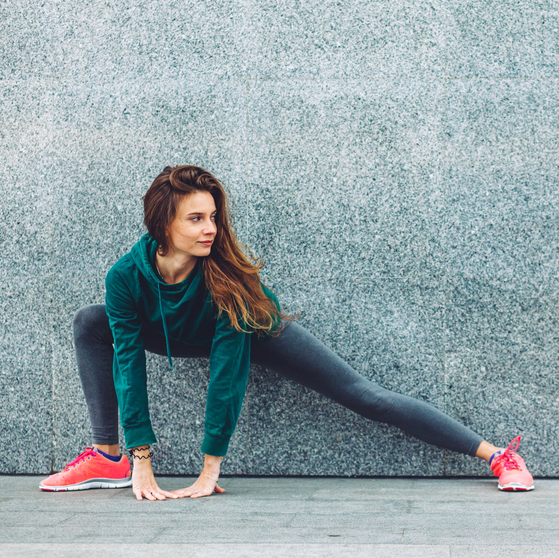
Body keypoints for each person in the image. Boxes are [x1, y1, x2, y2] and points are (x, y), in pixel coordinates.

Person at [39, 165, 534, 499]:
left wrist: (210, 467)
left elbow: (227, 377)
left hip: (255, 331)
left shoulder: (227, 278)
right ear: (162, 225)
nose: (210, 228)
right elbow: (128, 363)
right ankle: (108, 456)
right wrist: (139, 456)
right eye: (195, 219)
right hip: (166, 327)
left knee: (366, 395)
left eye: (213, 216)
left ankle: (498, 457)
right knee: (90, 319)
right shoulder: (126, 277)